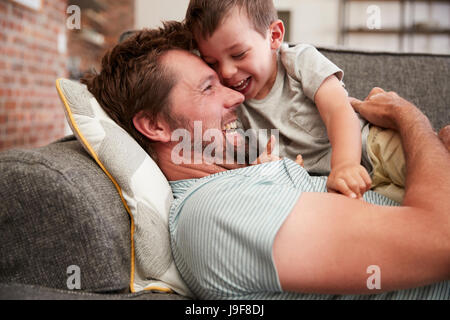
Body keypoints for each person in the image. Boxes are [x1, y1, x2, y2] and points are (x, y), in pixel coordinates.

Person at [82, 23, 450, 300]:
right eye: (209, 87)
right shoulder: (215, 214)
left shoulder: (248, 177)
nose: (238, 98)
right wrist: (408, 117)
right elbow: (442, 239)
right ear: (155, 125)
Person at [185, 0, 409, 203]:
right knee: (412, 212)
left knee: (428, 173)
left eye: (239, 54)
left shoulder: (298, 62)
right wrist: (264, 167)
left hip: (372, 147)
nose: (226, 72)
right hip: (348, 185)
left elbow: (337, 110)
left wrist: (345, 164)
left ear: (274, 36)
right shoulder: (234, 106)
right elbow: (246, 157)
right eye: (212, 62)